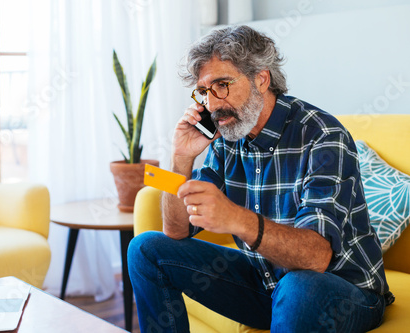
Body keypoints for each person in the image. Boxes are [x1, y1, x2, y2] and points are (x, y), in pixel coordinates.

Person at [128, 25, 392, 332]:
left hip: (343, 290)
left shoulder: (323, 137)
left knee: (299, 285)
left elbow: (317, 258)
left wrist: (236, 219)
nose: (211, 104)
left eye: (222, 85)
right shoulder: (229, 135)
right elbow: (175, 231)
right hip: (267, 282)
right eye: (204, 91)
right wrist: (182, 159)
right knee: (146, 249)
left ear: (261, 79)